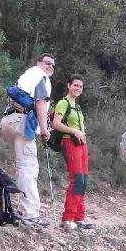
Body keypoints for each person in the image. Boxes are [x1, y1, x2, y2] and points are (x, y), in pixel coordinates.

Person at [0, 53, 55, 228]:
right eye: (47, 63)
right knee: (29, 169)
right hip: (22, 123)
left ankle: (24, 210)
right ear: (39, 63)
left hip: (9, 121)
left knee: (23, 166)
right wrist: (45, 130)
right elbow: (40, 103)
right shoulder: (41, 77)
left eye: (53, 65)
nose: (50, 67)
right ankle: (29, 215)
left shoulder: (26, 76)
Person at [51, 75, 94, 230]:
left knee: (83, 181)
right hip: (70, 143)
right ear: (69, 86)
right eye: (75, 85)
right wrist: (75, 131)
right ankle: (68, 218)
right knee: (77, 180)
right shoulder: (63, 103)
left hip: (82, 145)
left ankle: (79, 217)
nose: (78, 88)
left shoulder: (77, 106)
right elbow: (56, 124)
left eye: (80, 86)